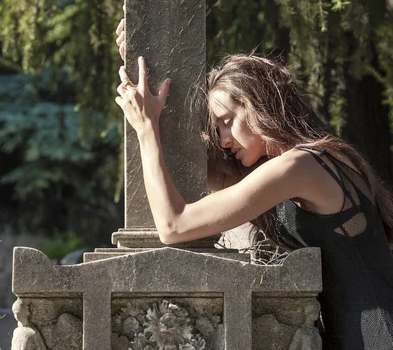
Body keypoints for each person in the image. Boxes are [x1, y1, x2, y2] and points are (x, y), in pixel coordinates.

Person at [115, 18, 393, 350]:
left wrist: (146, 128)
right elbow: (180, 168)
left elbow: (173, 225)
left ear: (260, 104)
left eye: (227, 122)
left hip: (376, 334)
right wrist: (140, 54)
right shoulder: (308, 162)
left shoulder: (299, 166)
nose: (223, 139)